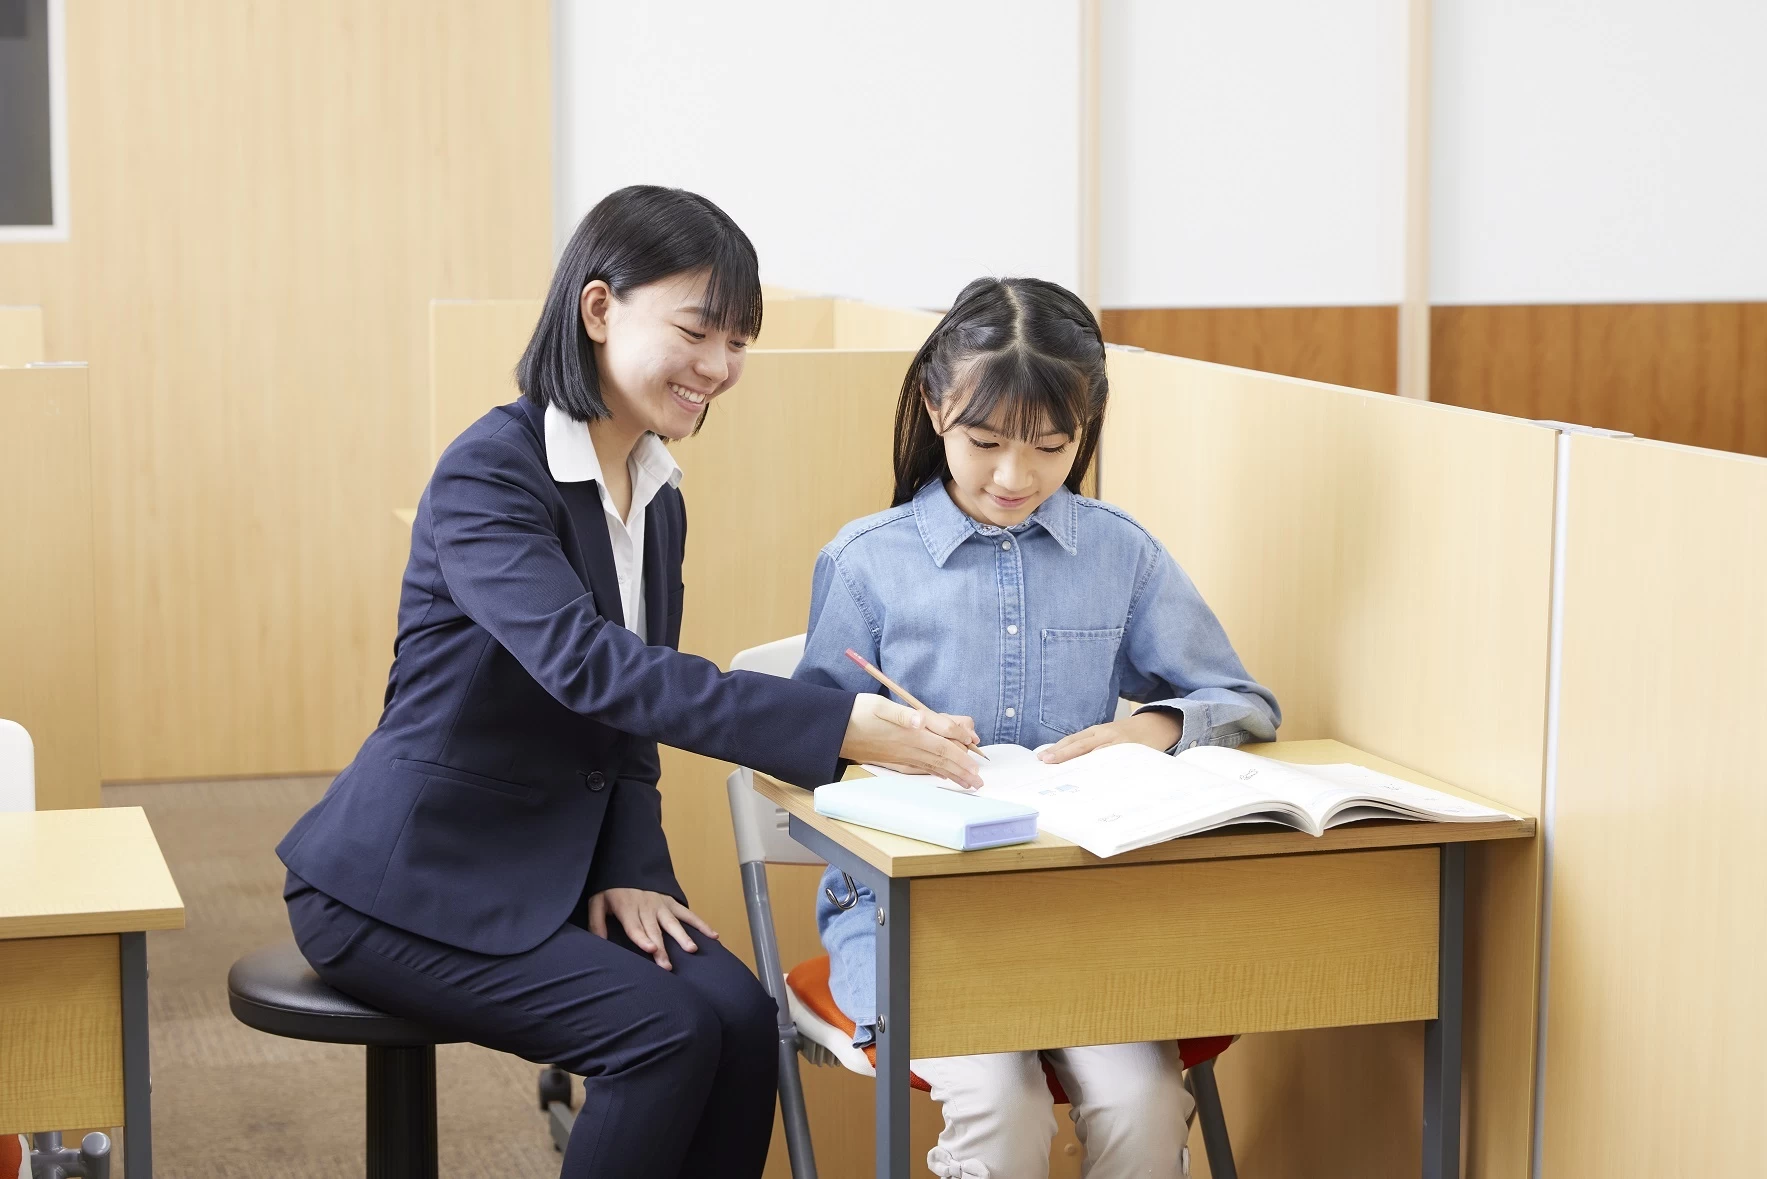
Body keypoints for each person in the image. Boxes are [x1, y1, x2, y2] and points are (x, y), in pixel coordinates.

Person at [275, 185, 981, 1179]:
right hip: (405, 881)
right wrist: (838, 726)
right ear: (599, 310)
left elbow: (625, 728)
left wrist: (635, 869)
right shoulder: (491, 473)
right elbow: (590, 668)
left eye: (739, 341)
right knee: (662, 1037)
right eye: (699, 331)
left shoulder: (656, 491)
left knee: (740, 1022)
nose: (721, 369)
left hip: (550, 868)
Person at [792, 277, 1280, 1179]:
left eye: (1051, 447)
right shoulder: (866, 564)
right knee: (998, 1102)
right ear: (936, 405)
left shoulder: (1118, 553)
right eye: (983, 442)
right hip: (913, 918)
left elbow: (1243, 700)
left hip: (1076, 912)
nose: (1015, 477)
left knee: (1138, 1100)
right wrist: (881, 738)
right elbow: (799, 756)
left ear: (1085, 427)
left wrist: (1153, 730)